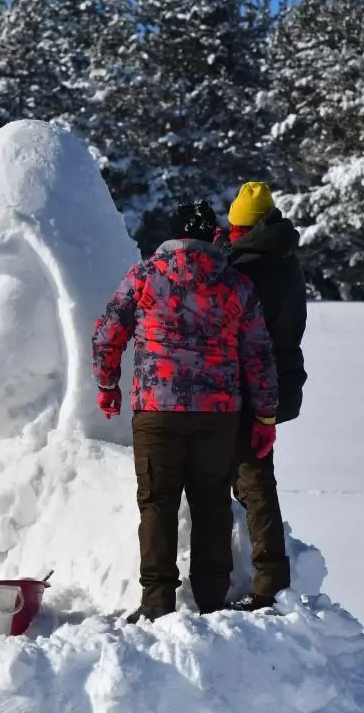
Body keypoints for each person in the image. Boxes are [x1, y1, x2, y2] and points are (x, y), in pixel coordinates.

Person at [93, 200, 280, 624]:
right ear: (212, 235)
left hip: (157, 409)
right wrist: (265, 416)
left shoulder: (144, 276)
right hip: (219, 412)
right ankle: (212, 598)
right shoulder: (235, 283)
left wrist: (108, 385)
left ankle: (158, 601)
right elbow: (258, 352)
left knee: (157, 502)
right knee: (211, 501)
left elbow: (107, 332)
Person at [216, 182, 309, 612]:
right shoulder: (286, 261)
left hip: (245, 388)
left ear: (241, 229)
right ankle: (268, 576)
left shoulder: (245, 272)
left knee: (249, 482)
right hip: (278, 385)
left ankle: (264, 582)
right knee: (257, 480)